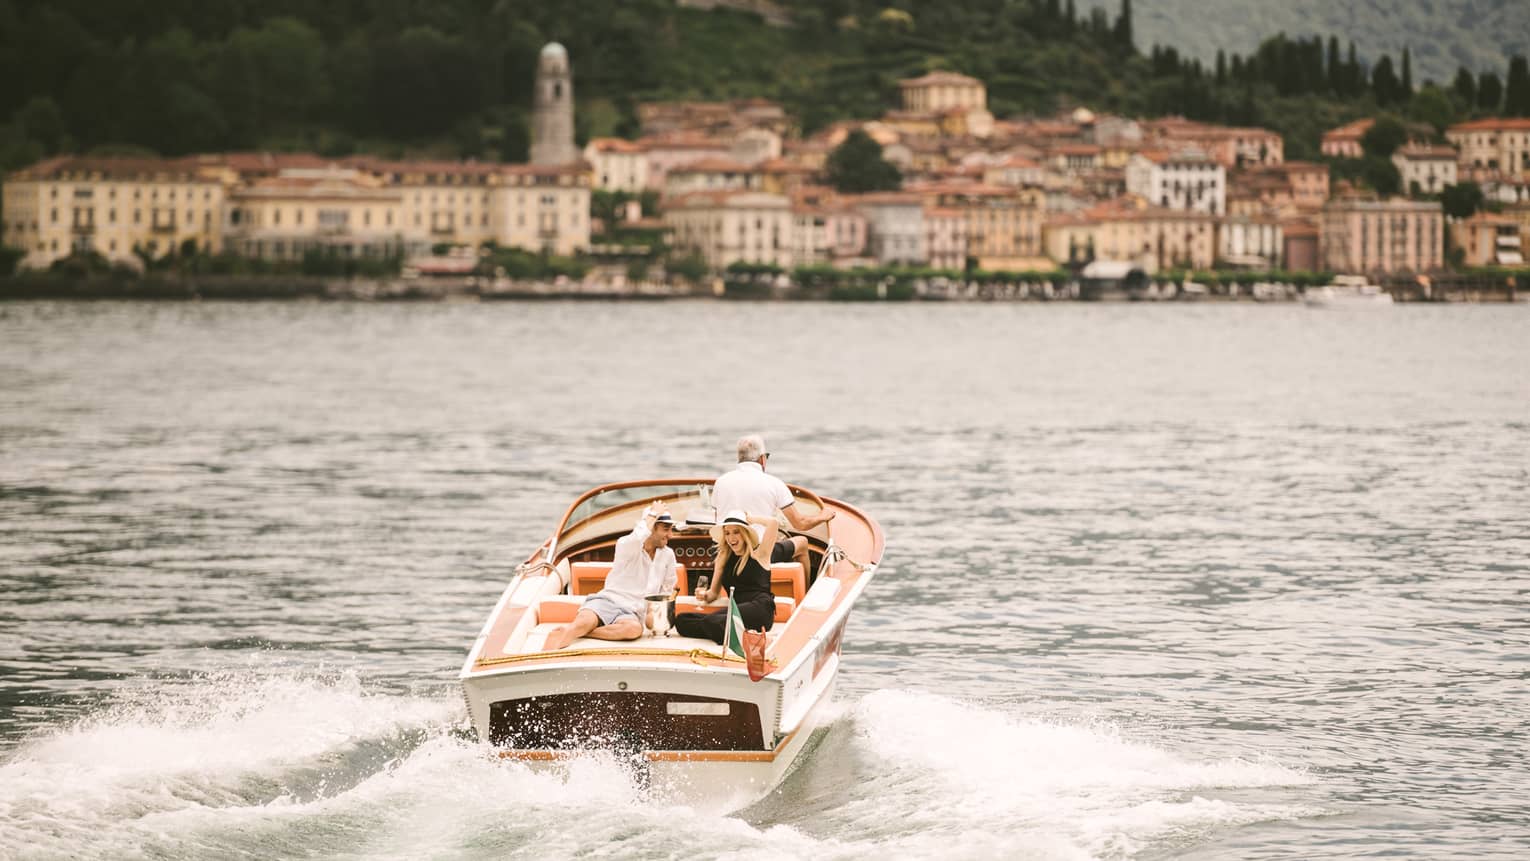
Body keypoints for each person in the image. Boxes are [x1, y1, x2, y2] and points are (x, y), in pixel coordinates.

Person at [544, 501, 677, 651]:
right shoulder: (626, 544)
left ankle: (586, 633)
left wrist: (655, 614)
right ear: (651, 527)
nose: (670, 535)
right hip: (606, 601)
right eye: (666, 529)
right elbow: (637, 537)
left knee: (634, 630)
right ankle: (559, 643)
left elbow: (667, 588)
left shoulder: (668, 555)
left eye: (671, 529)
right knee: (583, 623)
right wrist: (653, 514)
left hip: (632, 613)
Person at [711, 434, 834, 578]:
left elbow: (718, 521)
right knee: (802, 542)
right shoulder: (774, 483)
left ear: (739, 458)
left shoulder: (720, 483)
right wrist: (823, 516)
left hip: (724, 552)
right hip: (758, 553)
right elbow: (800, 524)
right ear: (762, 458)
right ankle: (806, 592)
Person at [674, 510, 778, 643]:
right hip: (735, 612)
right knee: (682, 620)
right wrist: (704, 595)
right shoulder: (723, 557)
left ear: (745, 534)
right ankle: (738, 635)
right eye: (727, 533)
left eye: (736, 532)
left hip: (760, 608)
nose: (731, 538)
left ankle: (748, 638)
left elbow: (773, 523)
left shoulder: (759, 554)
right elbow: (713, 594)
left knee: (713, 621)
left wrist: (751, 519)